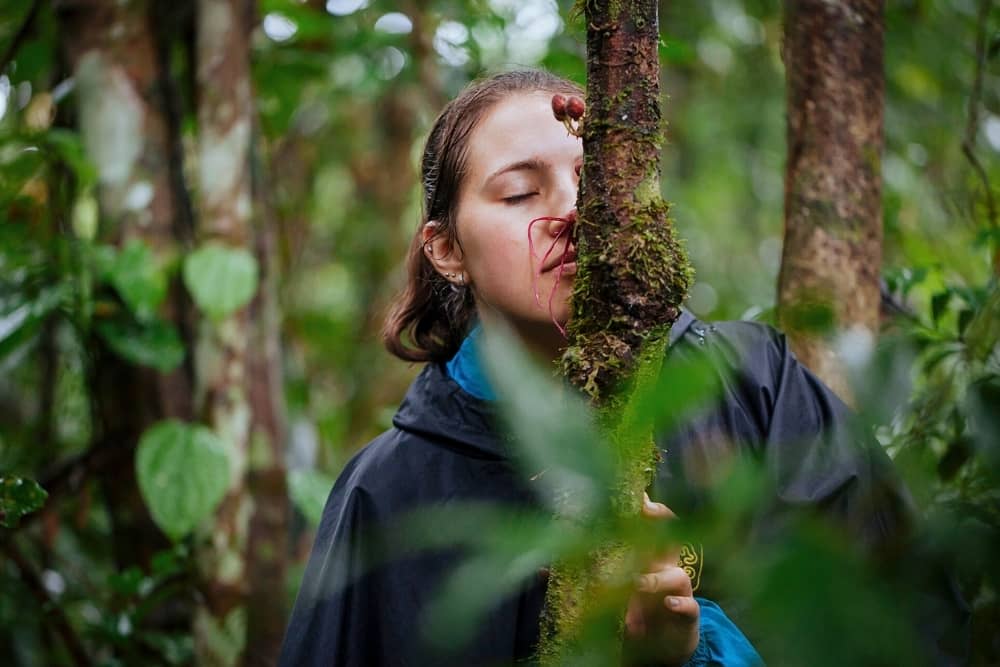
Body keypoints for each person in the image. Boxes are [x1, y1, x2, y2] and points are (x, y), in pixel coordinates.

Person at [279, 70, 967, 666]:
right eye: (520, 193)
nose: (573, 212)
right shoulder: (387, 489)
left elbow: (913, 629)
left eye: (596, 180)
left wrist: (696, 650)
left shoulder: (754, 385)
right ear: (447, 251)